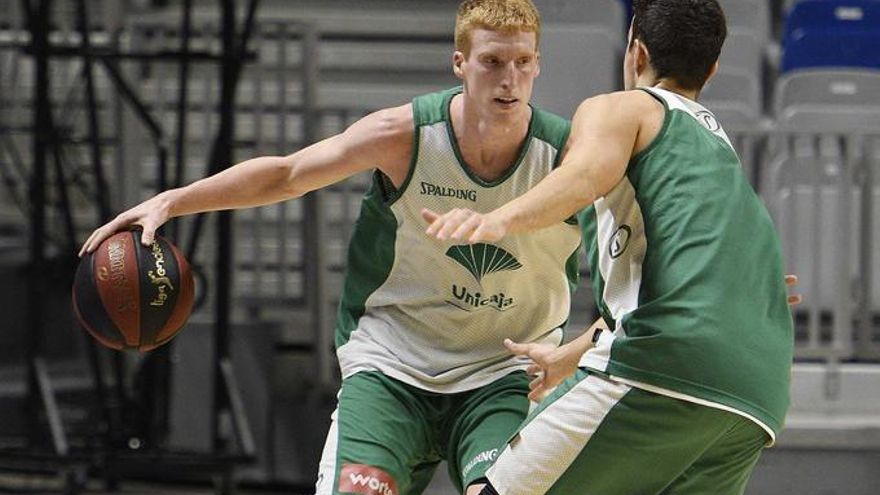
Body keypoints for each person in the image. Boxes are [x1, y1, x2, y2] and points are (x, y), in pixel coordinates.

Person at [80, 1, 585, 494]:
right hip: (393, 364)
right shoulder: (404, 135)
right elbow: (287, 173)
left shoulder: (572, 159)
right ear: (460, 63)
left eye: (522, 62)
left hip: (503, 370)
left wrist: (577, 351)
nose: (508, 78)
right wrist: (173, 201)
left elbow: (637, 271)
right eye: (492, 61)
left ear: (538, 64)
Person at [423, 0, 795, 493]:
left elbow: (586, 174)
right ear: (712, 69)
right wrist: (569, 355)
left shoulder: (625, 108)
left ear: (636, 53)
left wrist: (496, 219)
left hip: (663, 367)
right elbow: (657, 289)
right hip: (758, 394)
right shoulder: (717, 150)